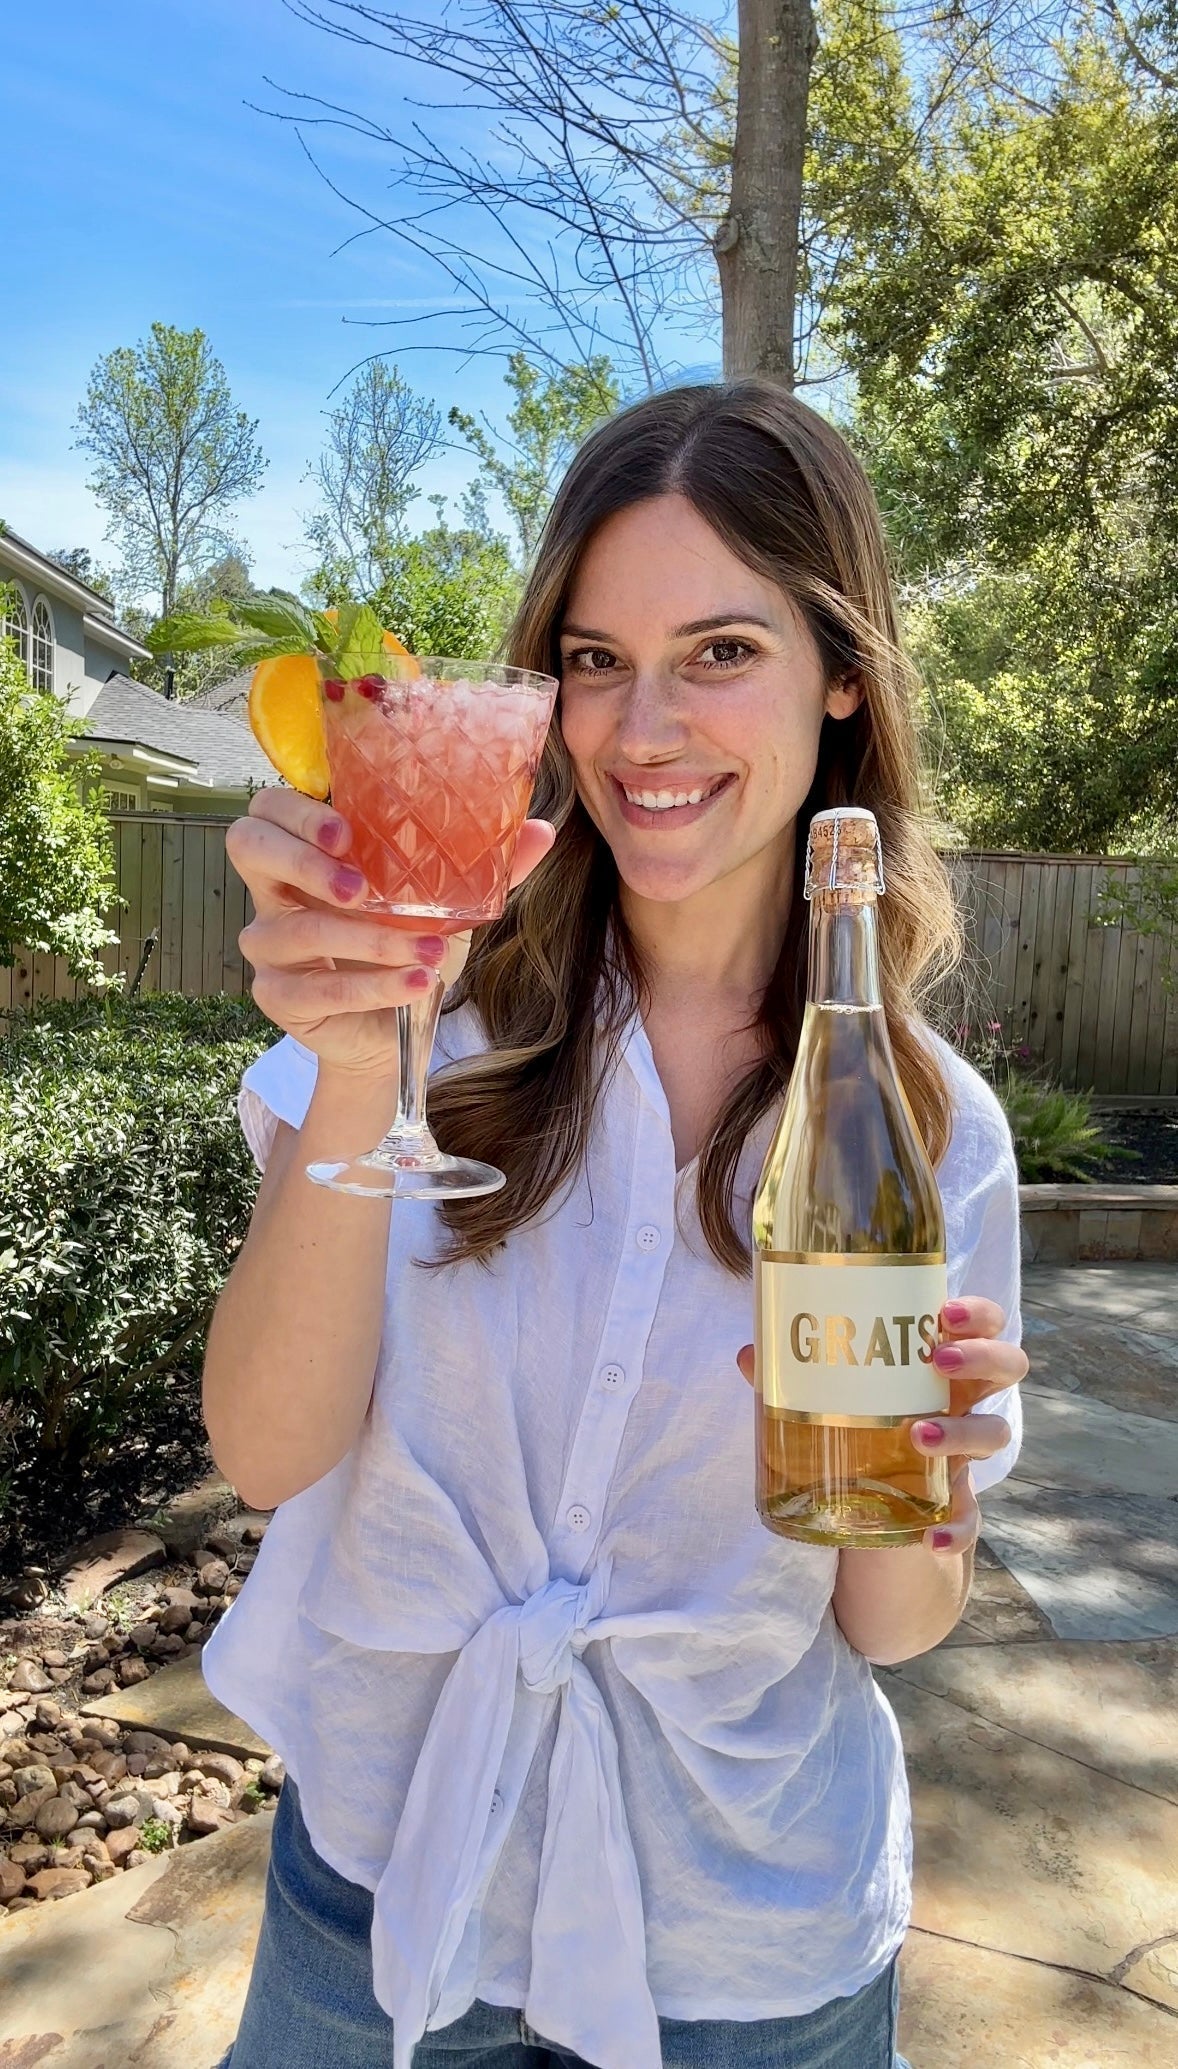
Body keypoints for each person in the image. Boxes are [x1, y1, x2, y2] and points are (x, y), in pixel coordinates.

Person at [205, 380, 1027, 2069]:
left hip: (740, 1932)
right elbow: (268, 1455)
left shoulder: (926, 1127)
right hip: (384, 1883)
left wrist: (921, 1490)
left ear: (843, 677)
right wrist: (359, 1068)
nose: (639, 727)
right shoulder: (413, 1004)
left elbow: (887, 1623)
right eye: (593, 658)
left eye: (719, 651)